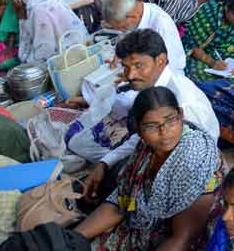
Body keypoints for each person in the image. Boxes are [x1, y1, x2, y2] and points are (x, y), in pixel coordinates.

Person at [75, 86, 223, 251]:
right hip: (143, 227)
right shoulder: (144, 152)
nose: (164, 131)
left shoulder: (194, 160)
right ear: (138, 130)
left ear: (181, 115)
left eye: (170, 120)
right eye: (152, 126)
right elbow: (123, 202)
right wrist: (74, 237)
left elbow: (184, 239)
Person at [80, 29, 220, 204]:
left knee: (119, 182)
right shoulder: (154, 88)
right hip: (165, 149)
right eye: (126, 67)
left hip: (187, 167)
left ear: (160, 61)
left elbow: (188, 161)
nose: (130, 75)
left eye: (139, 66)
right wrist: (104, 163)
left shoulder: (182, 103)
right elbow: (143, 135)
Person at [14, 0, 89, 64]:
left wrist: (26, 62)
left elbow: (44, 50)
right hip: (79, 51)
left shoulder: (38, 10)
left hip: (66, 61)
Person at [103, 0, 187, 74]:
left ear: (132, 16)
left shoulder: (161, 25)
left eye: (123, 27)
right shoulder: (138, 12)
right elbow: (128, 36)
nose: (122, 31)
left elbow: (170, 67)